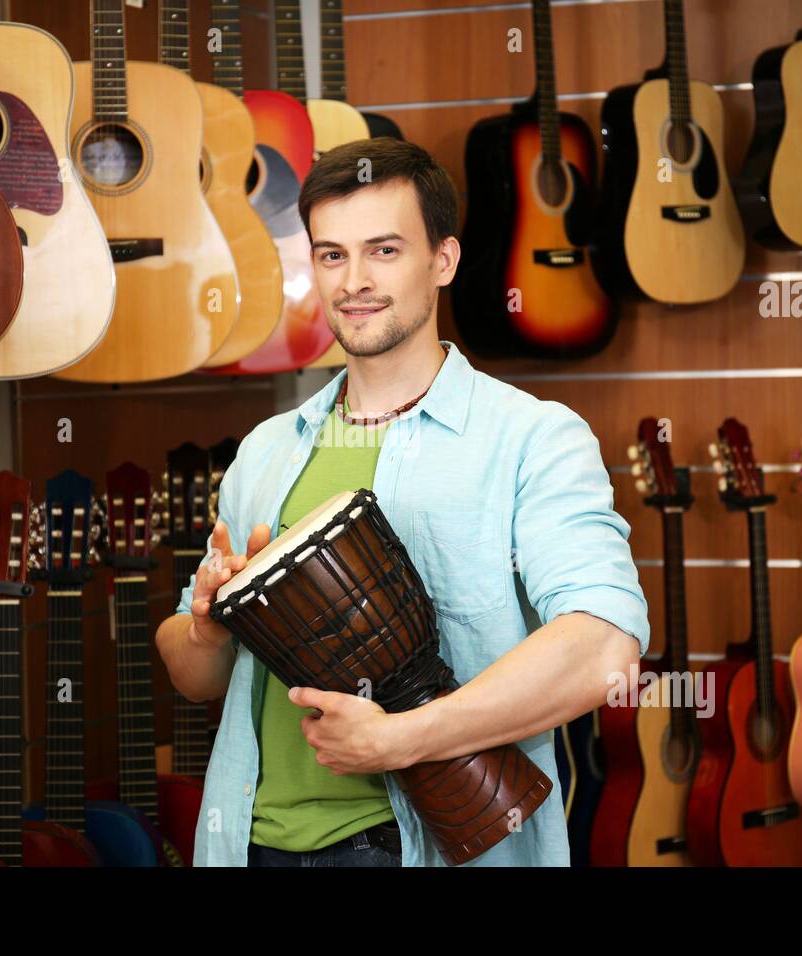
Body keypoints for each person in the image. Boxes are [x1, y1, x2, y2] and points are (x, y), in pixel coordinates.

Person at [155, 137, 649, 867]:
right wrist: (204, 630)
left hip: (417, 847)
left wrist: (402, 739)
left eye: (384, 250)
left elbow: (606, 645)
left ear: (443, 261)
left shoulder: (531, 438)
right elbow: (194, 674)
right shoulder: (264, 451)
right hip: (250, 841)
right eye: (331, 254)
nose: (354, 280)